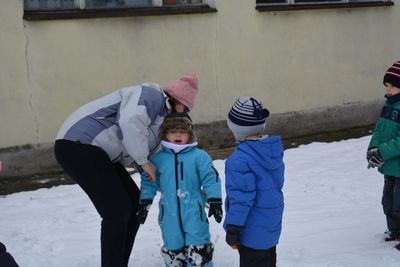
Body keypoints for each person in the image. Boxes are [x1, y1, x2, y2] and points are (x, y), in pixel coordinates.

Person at [54, 72, 199, 267]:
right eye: (186, 107)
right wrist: (144, 162)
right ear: (177, 99)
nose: (185, 112)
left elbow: (147, 155)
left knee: (133, 206)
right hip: (78, 144)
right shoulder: (150, 94)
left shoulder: (161, 122)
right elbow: (130, 122)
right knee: (117, 211)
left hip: (100, 153)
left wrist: (170, 184)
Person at [136, 112, 222, 267]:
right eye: (172, 131)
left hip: (194, 211)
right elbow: (149, 183)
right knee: (173, 246)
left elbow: (210, 178)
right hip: (168, 212)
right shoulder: (158, 159)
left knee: (198, 247)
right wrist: (145, 203)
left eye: (182, 132)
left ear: (190, 135)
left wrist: (215, 200)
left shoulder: (199, 157)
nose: (177, 135)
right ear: (165, 134)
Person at [223, 97, 284, 267]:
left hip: (252, 232)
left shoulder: (239, 160)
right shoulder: (272, 152)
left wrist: (233, 227)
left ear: (236, 128)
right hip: (270, 227)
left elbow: (241, 198)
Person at [367, 60, 400, 250]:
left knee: (399, 203)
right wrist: (373, 149)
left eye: (392, 86)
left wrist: (383, 152)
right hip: (388, 164)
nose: (388, 89)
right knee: (387, 200)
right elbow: (379, 129)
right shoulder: (389, 105)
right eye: (386, 85)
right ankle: (394, 230)